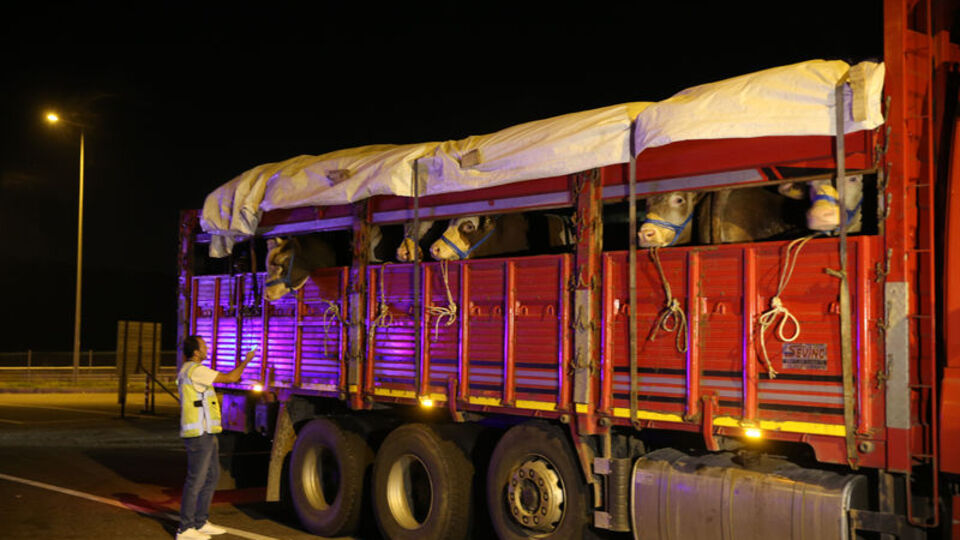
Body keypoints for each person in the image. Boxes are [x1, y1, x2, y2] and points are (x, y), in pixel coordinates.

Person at [176, 335, 256, 540]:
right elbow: (231, 378)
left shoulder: (188, 370)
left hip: (206, 432)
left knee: (211, 477)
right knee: (196, 480)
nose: (206, 349)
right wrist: (246, 361)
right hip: (198, 434)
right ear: (195, 352)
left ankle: (200, 522)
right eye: (203, 346)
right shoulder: (196, 370)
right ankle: (185, 528)